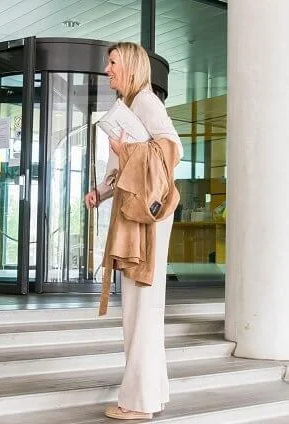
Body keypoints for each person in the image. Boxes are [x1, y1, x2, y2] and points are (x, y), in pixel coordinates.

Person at [84, 42, 182, 420]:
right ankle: (149, 394)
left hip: (148, 220)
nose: (106, 70)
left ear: (129, 66)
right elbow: (124, 165)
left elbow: (173, 151)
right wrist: (101, 192)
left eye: (111, 63)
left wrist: (126, 152)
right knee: (143, 308)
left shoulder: (146, 103)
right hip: (137, 215)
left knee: (141, 309)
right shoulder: (129, 106)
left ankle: (138, 402)